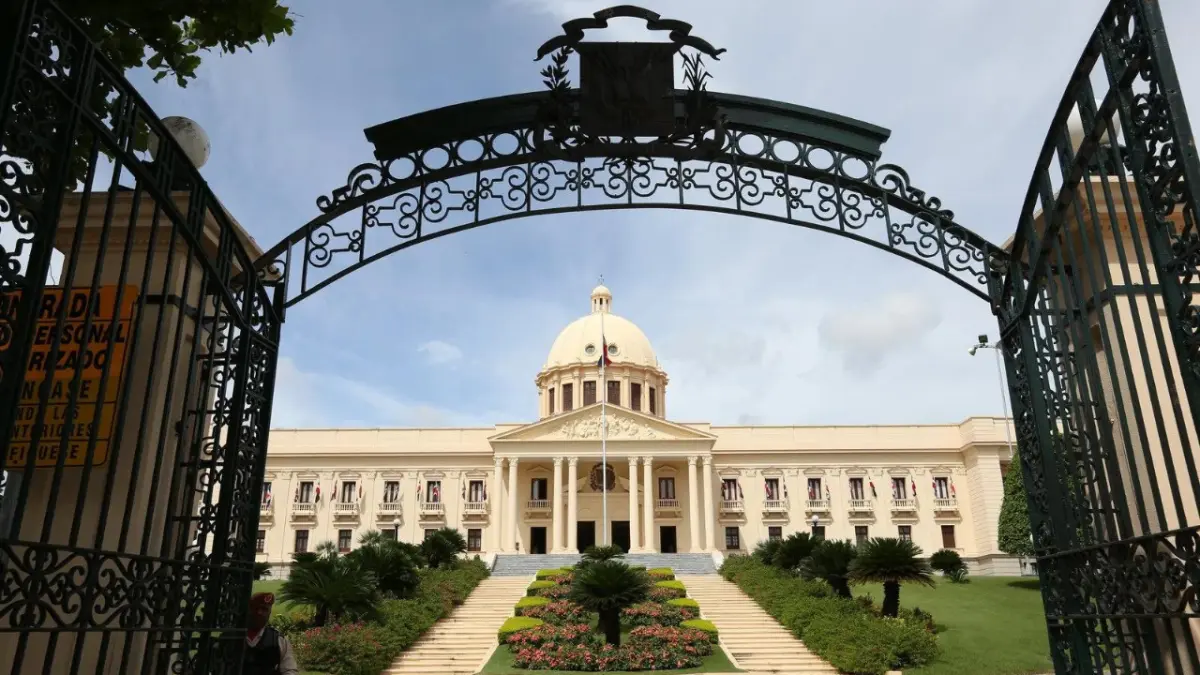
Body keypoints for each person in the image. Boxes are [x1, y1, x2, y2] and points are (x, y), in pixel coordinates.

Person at [244, 592, 299, 675]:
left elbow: (289, 670)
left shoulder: (278, 640)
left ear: (269, 613)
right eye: (256, 608)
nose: (259, 613)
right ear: (248, 609)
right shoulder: (232, 637)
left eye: (264, 609)